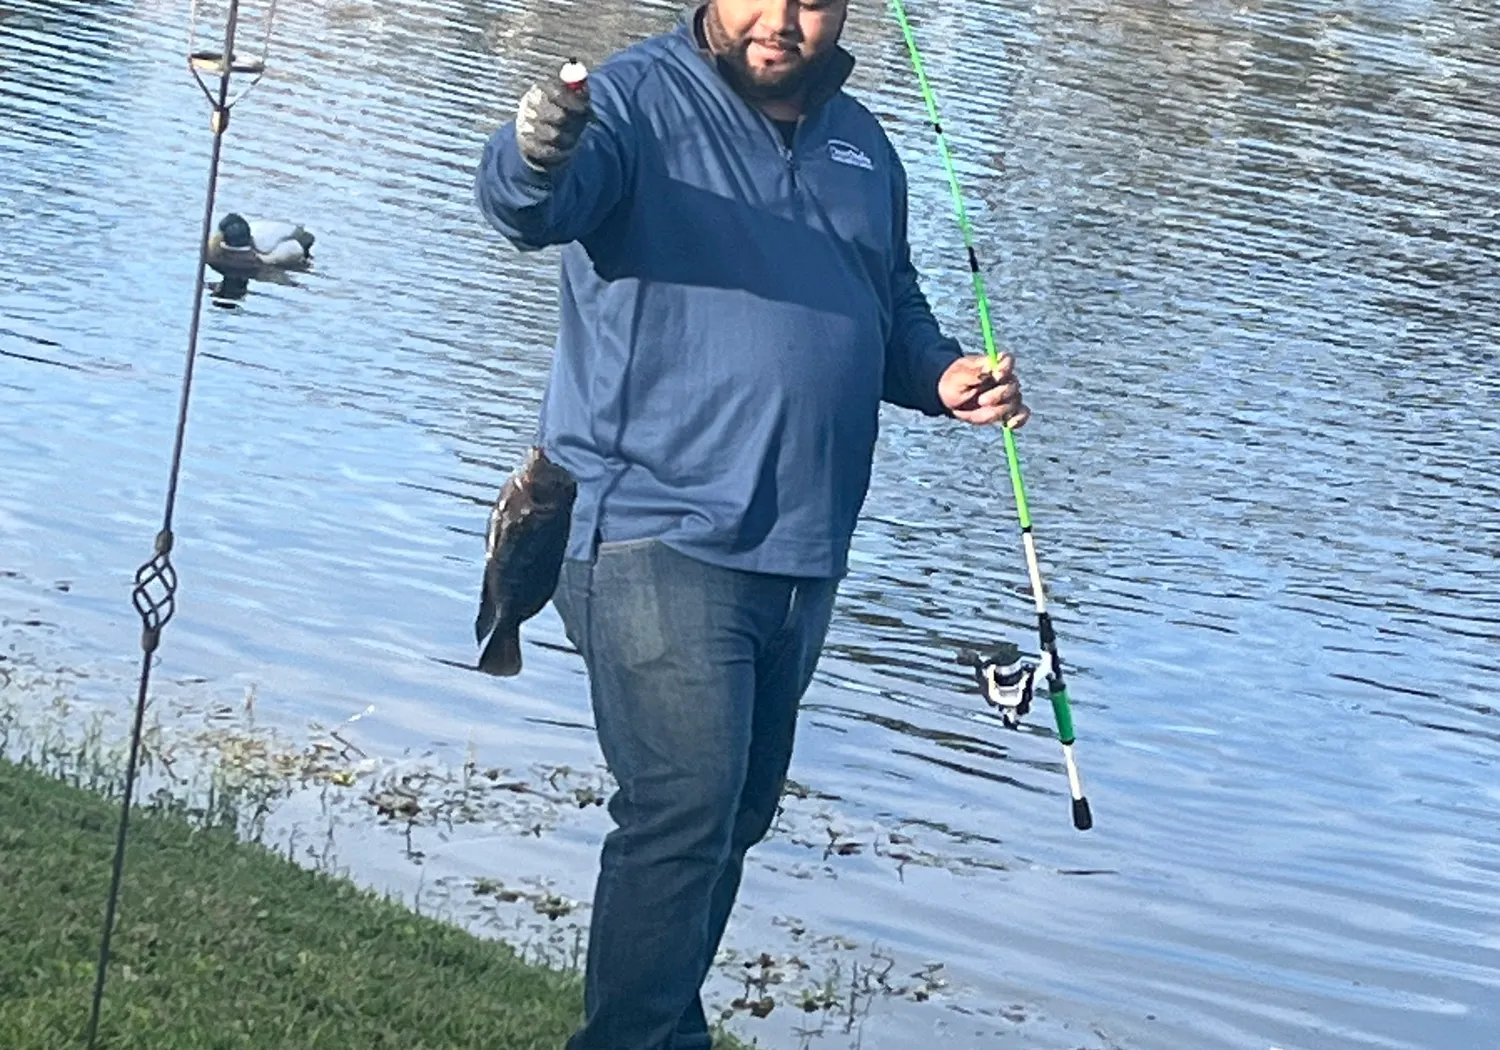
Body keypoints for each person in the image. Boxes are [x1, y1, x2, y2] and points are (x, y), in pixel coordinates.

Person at [474, 2, 1028, 1047]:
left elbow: (889, 304)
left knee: (732, 820)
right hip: (651, 527)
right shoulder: (634, 102)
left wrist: (943, 373)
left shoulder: (863, 145)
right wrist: (535, 147)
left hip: (804, 549)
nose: (780, 19)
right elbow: (531, 207)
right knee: (682, 809)